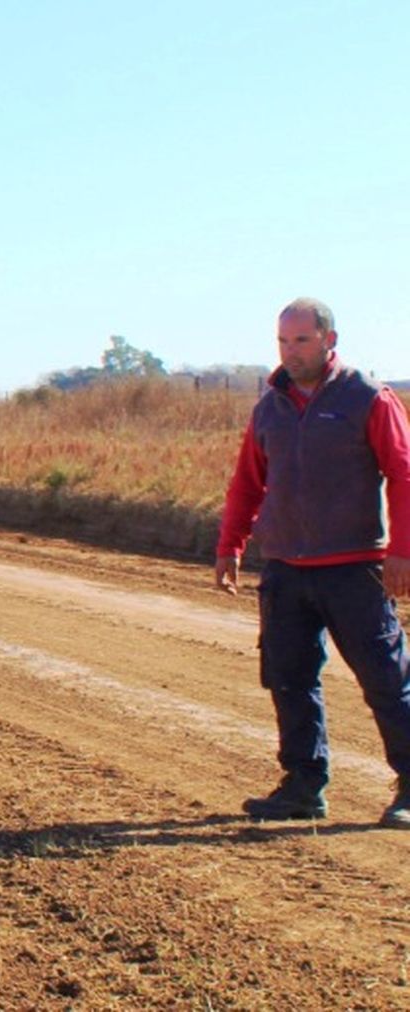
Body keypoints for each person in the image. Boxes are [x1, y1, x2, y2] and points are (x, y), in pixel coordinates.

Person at [216, 297, 410, 828]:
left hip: (354, 567)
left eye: (301, 339)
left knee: (386, 680)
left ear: (329, 339)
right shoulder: (269, 407)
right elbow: (247, 484)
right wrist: (230, 546)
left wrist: (402, 550)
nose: (290, 351)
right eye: (282, 341)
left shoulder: (367, 398)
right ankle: (303, 785)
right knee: (289, 678)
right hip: (285, 568)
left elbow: (404, 474)